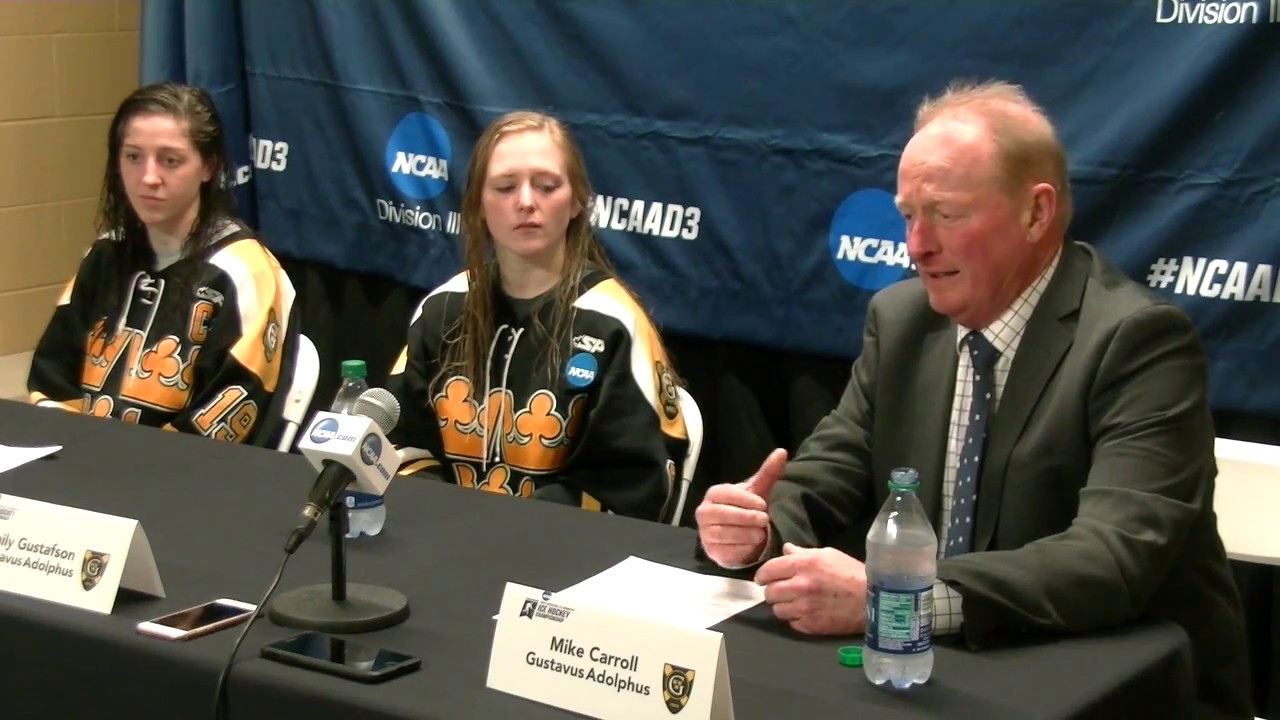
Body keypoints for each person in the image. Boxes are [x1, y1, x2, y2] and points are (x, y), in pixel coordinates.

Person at [695, 80, 1251, 717]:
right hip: (939, 673)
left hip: (1120, 687)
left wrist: (897, 601)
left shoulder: (1138, 341)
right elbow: (826, 474)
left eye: (946, 215)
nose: (916, 245)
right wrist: (758, 532)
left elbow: (1111, 557)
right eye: (908, 215)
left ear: (1036, 213)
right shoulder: (901, 321)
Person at [387, 110, 688, 521]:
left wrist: (509, 528)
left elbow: (635, 485)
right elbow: (400, 445)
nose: (526, 201)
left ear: (578, 201)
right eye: (505, 187)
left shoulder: (613, 324)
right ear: (478, 204)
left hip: (563, 555)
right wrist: (450, 519)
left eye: (546, 186)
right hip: (444, 537)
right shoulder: (442, 310)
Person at [27, 82, 298, 447]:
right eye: (133, 157)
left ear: (208, 167)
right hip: (84, 462)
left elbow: (228, 416)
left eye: (170, 160)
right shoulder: (106, 255)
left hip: (185, 477)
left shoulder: (244, 273)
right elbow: (51, 378)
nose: (148, 177)